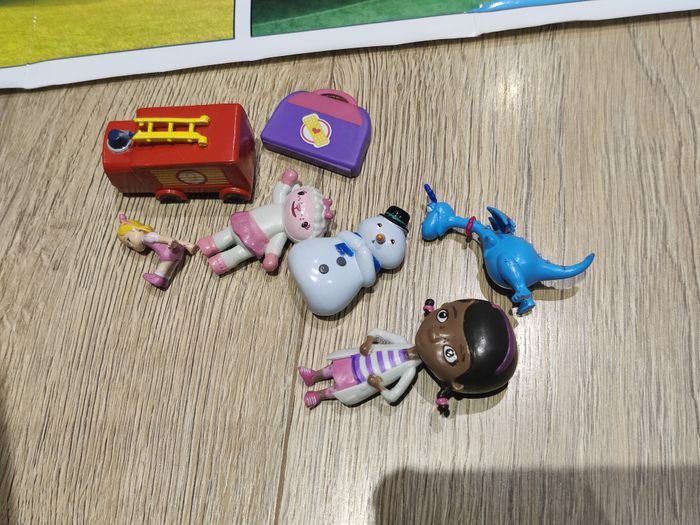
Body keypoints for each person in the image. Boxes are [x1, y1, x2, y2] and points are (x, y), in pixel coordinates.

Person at [298, 299, 517, 415]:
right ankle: (314, 375)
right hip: (361, 358)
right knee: (334, 367)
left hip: (365, 378)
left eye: (449, 353)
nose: (434, 334)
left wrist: (379, 386)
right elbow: (377, 332)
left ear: (457, 385)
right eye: (443, 316)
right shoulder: (400, 342)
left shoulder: (409, 371)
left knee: (340, 387)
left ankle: (319, 395)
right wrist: (369, 341)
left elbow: (393, 396)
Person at [197, 169, 334, 275]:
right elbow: (280, 190)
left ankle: (221, 262)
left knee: (239, 253)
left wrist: (271, 256)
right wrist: (286, 182)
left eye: (305, 224)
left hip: (253, 244)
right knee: (228, 234)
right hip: (244, 222)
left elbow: (275, 245)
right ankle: (210, 244)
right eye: (301, 195)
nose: (298, 208)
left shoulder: (282, 232)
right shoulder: (280, 203)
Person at [117, 213, 197, 290]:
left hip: (168, 251)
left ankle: (158, 278)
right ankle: (165, 280)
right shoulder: (147, 238)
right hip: (177, 251)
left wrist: (169, 241)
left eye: (129, 240)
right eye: (129, 245)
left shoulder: (148, 236)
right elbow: (175, 241)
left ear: (136, 229)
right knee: (170, 267)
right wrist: (186, 245)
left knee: (164, 266)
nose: (132, 245)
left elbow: (162, 238)